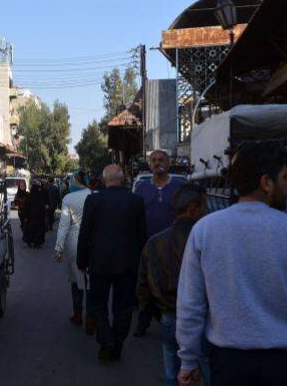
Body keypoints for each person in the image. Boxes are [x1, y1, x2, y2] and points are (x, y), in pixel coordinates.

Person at [176, 142, 287, 386]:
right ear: (266, 182)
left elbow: (190, 305)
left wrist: (188, 360)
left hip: (229, 366)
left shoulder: (205, 230)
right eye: (285, 177)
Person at [137, 183, 210, 386]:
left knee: (172, 372)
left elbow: (142, 286)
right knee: (206, 368)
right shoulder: (207, 239)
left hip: (169, 316)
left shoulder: (155, 242)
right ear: (193, 208)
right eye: (205, 206)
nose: (207, 211)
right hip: (203, 319)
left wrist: (156, 313)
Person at [77, 164, 147, 361]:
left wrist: (81, 260)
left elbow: (85, 234)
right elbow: (142, 236)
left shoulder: (93, 200)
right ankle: (116, 344)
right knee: (123, 307)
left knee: (97, 303)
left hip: (99, 263)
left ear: (104, 180)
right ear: (122, 179)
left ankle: (107, 339)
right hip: (128, 264)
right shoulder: (136, 201)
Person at [133, 150, 187, 337]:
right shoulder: (141, 188)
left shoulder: (180, 186)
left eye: (161, 159)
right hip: (148, 246)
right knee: (146, 284)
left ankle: (178, 323)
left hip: (175, 245)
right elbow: (136, 217)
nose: (157, 163)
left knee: (175, 283)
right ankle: (143, 322)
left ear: (169, 163)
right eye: (154, 160)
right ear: (149, 165)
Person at [54, 170, 93, 333]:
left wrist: (58, 248)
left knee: (76, 281)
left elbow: (63, 225)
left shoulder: (68, 198)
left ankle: (78, 314)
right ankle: (91, 318)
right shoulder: (93, 195)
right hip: (92, 242)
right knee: (90, 282)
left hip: (73, 243)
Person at [23, 179, 48, 248]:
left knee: (32, 230)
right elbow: (27, 206)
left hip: (34, 217)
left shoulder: (30, 196)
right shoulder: (37, 196)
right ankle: (35, 242)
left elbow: (26, 207)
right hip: (36, 217)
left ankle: (32, 242)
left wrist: (26, 216)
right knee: (36, 230)